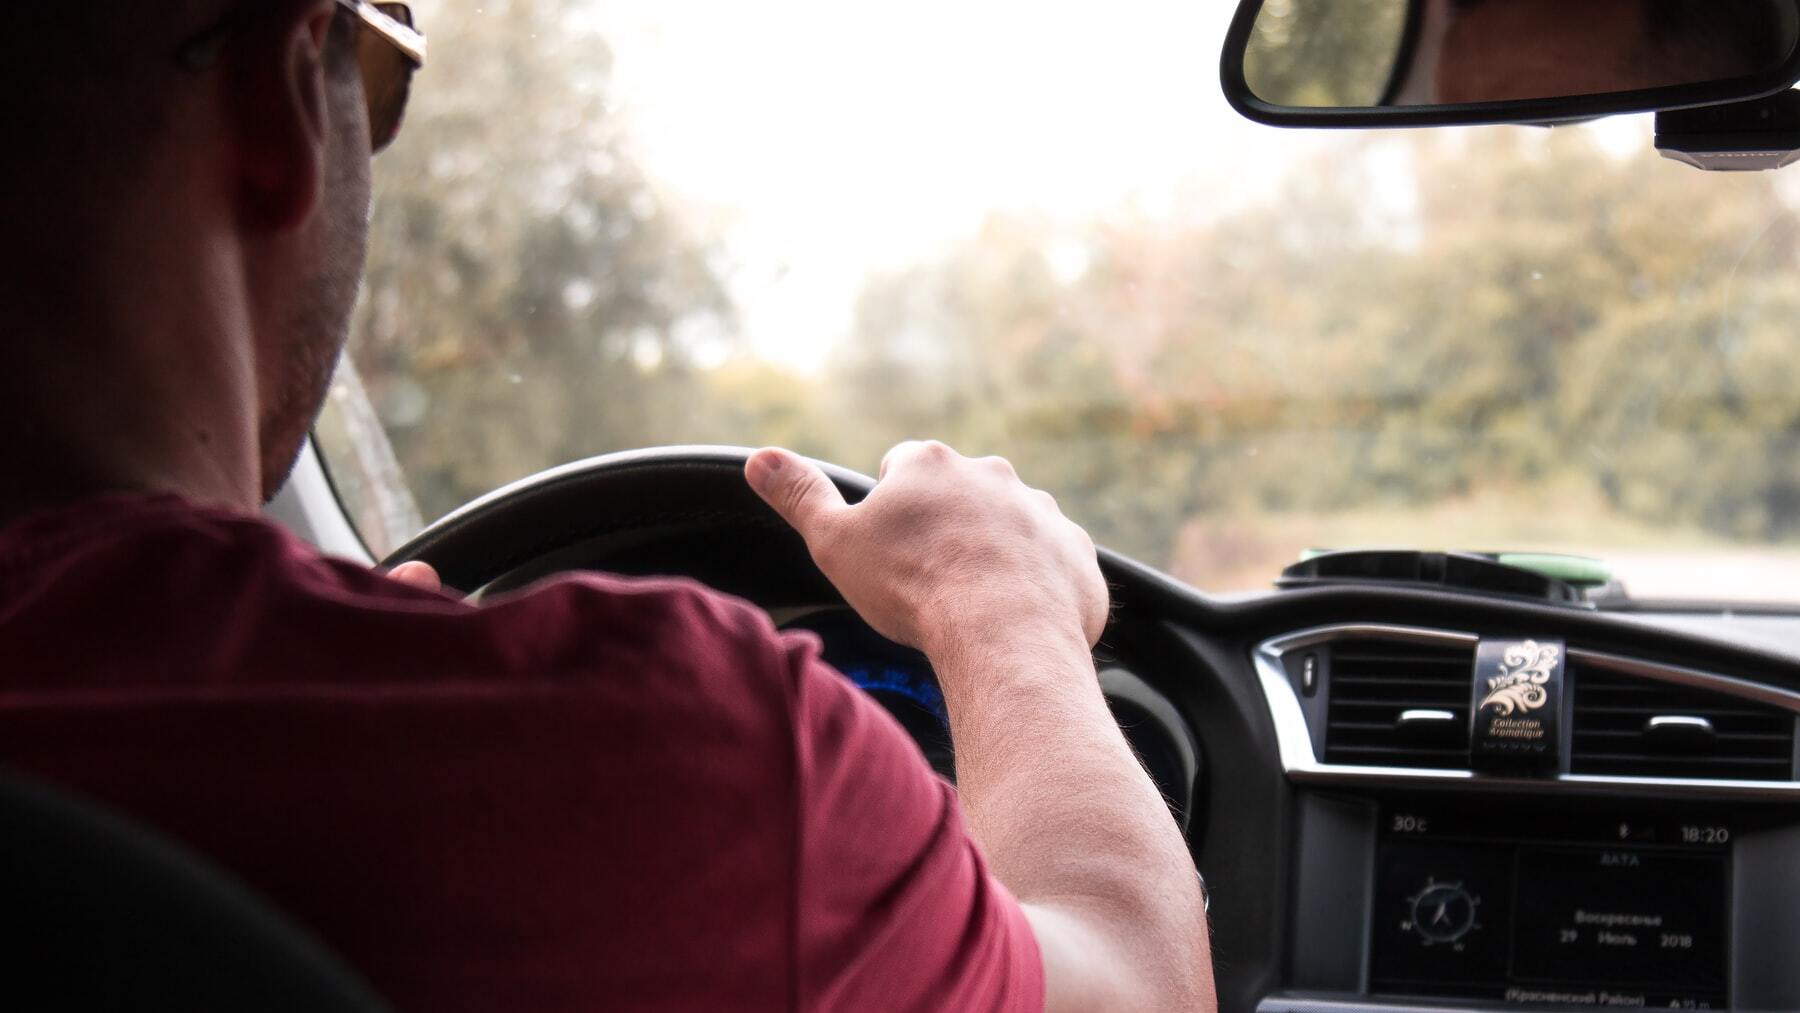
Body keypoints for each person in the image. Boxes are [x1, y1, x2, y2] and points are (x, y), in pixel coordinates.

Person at [0, 3, 1214, 1011]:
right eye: (379, 71)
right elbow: (1141, 986)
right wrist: (997, 601)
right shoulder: (664, 765)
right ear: (282, 101)